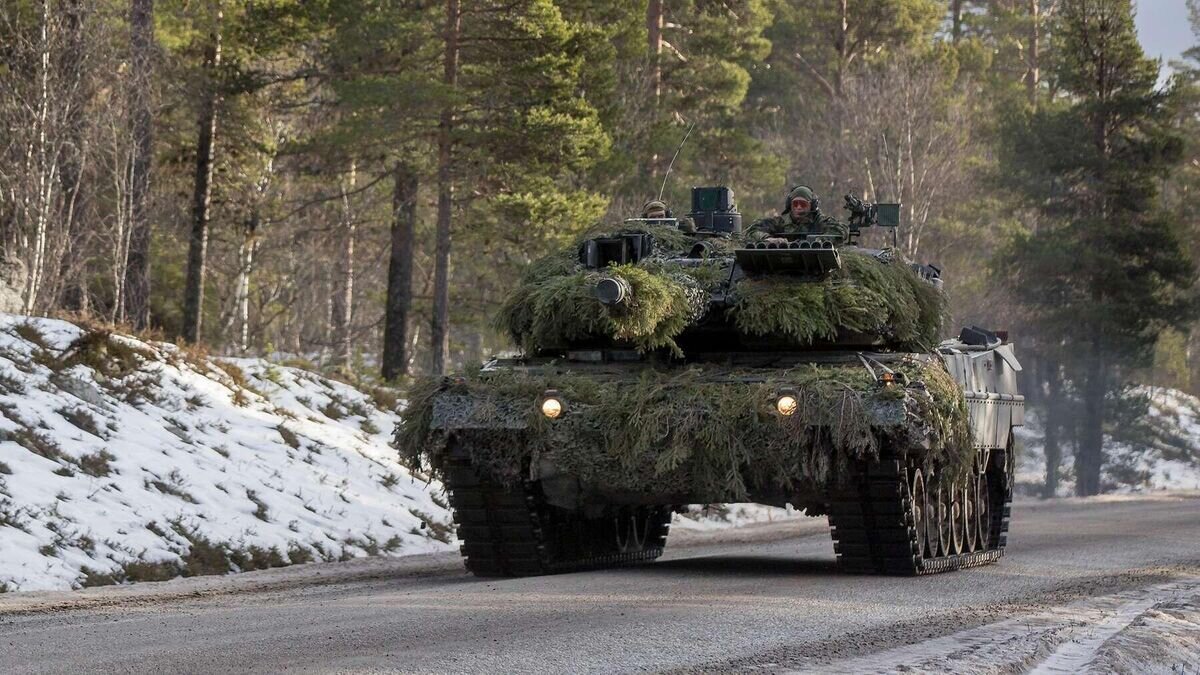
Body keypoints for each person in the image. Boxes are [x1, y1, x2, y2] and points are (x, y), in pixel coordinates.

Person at [747, 185, 849, 244]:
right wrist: (768, 239)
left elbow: (841, 230)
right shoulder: (780, 222)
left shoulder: (819, 221)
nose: (799, 207)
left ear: (812, 206)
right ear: (789, 205)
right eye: (795, 204)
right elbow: (752, 230)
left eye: (803, 204)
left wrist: (818, 242)